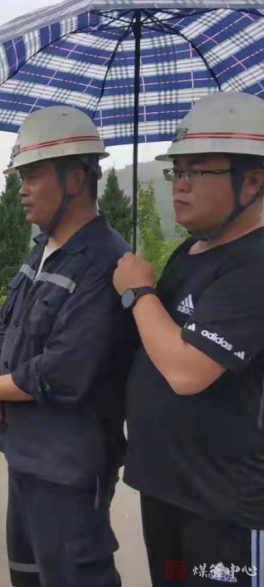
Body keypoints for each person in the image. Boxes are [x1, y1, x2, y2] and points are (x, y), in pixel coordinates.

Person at [0, 106, 138, 586]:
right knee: (27, 575)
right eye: (20, 176)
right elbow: (5, 324)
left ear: (76, 179)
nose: (22, 189)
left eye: (34, 175)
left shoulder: (106, 261)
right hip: (24, 454)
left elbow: (66, 371)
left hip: (69, 469)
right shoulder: (41, 249)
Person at [115, 91, 264, 587]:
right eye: (176, 172)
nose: (180, 186)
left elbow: (187, 370)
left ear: (254, 180)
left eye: (197, 172)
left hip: (223, 510)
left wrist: (138, 291)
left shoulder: (255, 266)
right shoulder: (191, 251)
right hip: (166, 490)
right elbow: (156, 336)